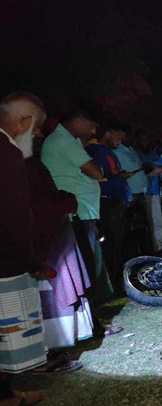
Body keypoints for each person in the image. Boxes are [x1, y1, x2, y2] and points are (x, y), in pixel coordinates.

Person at [0, 92, 53, 405]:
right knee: (7, 336)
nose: (37, 136)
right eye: (35, 128)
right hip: (5, 262)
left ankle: (5, 394)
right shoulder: (6, 153)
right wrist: (30, 261)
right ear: (22, 121)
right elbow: (13, 215)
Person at [26, 123, 89, 371]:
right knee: (39, 296)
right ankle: (41, 355)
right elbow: (34, 204)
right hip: (37, 240)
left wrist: (63, 200)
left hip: (51, 232)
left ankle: (56, 345)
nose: (39, 135)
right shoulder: (20, 164)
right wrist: (63, 202)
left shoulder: (30, 163)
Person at [41, 110, 112, 302]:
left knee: (90, 262)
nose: (94, 129)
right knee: (86, 265)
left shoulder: (69, 141)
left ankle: (94, 311)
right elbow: (96, 172)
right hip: (77, 213)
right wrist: (100, 169)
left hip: (81, 210)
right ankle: (92, 312)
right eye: (93, 124)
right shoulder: (63, 141)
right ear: (79, 120)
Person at [85, 121, 132, 290]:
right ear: (108, 133)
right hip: (108, 203)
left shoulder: (106, 152)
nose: (120, 141)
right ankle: (112, 283)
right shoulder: (95, 151)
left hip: (115, 202)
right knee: (111, 244)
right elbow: (98, 175)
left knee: (117, 244)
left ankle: (116, 279)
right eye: (118, 137)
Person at [113, 124, 152, 255]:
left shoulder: (130, 150)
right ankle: (135, 256)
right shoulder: (116, 151)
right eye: (124, 135)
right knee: (132, 229)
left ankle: (144, 255)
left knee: (142, 227)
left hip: (139, 192)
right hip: (130, 194)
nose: (126, 137)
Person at [134, 130, 162, 253]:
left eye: (146, 139)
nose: (145, 142)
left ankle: (158, 246)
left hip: (153, 192)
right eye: (143, 139)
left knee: (157, 221)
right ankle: (152, 248)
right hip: (141, 193)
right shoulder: (135, 154)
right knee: (148, 222)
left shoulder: (152, 154)